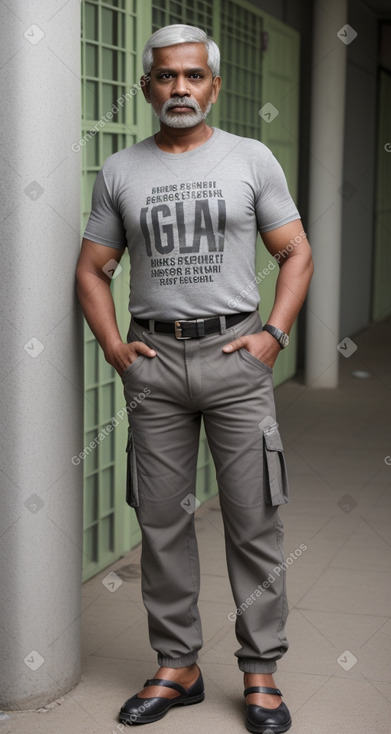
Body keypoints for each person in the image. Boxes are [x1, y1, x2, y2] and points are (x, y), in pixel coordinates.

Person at [76, 23, 313, 734]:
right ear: (147, 85)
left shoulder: (251, 159)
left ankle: (260, 671)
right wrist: (115, 347)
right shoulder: (121, 170)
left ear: (212, 84)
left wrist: (273, 336)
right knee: (160, 523)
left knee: (253, 522)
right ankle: (176, 665)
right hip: (154, 365)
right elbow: (92, 270)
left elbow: (294, 252)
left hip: (236, 363)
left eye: (193, 77)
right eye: (166, 77)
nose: (179, 88)